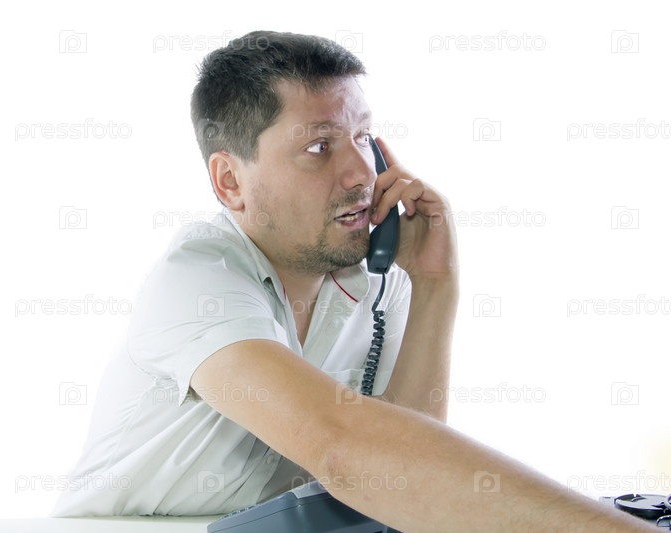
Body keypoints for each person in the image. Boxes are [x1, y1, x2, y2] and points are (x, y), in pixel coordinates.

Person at [52, 30, 654, 531]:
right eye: (320, 147)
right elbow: (342, 445)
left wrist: (434, 284)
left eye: (363, 138)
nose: (362, 173)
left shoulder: (376, 280)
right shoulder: (196, 279)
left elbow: (401, 475)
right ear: (230, 182)